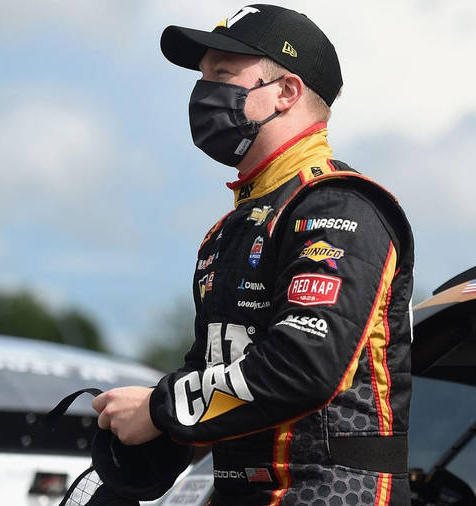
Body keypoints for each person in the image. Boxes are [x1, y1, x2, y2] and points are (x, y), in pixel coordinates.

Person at [90, 5, 414, 505]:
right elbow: (217, 373)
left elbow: (303, 365)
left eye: (222, 73)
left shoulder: (340, 205)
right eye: (202, 77)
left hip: (328, 493)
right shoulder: (230, 228)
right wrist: (146, 448)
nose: (203, 92)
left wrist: (158, 410)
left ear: (286, 92)